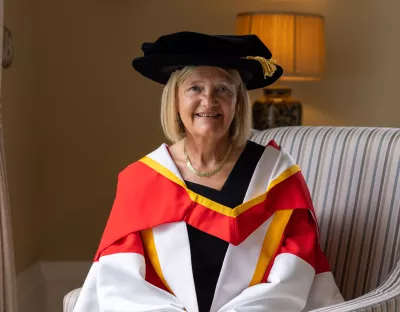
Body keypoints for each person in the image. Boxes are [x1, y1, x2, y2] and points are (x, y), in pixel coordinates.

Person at [73, 31, 344, 312]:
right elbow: (123, 278)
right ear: (174, 100)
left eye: (224, 89)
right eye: (195, 88)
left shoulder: (275, 174)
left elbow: (294, 272)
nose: (209, 101)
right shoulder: (143, 179)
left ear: (238, 103)